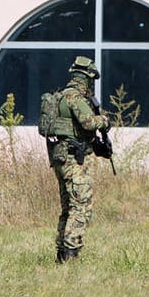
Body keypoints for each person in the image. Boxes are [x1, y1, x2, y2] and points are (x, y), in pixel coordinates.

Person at [43, 55, 109, 263]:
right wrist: (104, 121)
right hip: (74, 159)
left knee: (68, 207)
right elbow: (89, 123)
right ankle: (70, 255)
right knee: (80, 207)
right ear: (87, 79)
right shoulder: (75, 98)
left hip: (60, 158)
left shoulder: (60, 96)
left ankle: (61, 253)